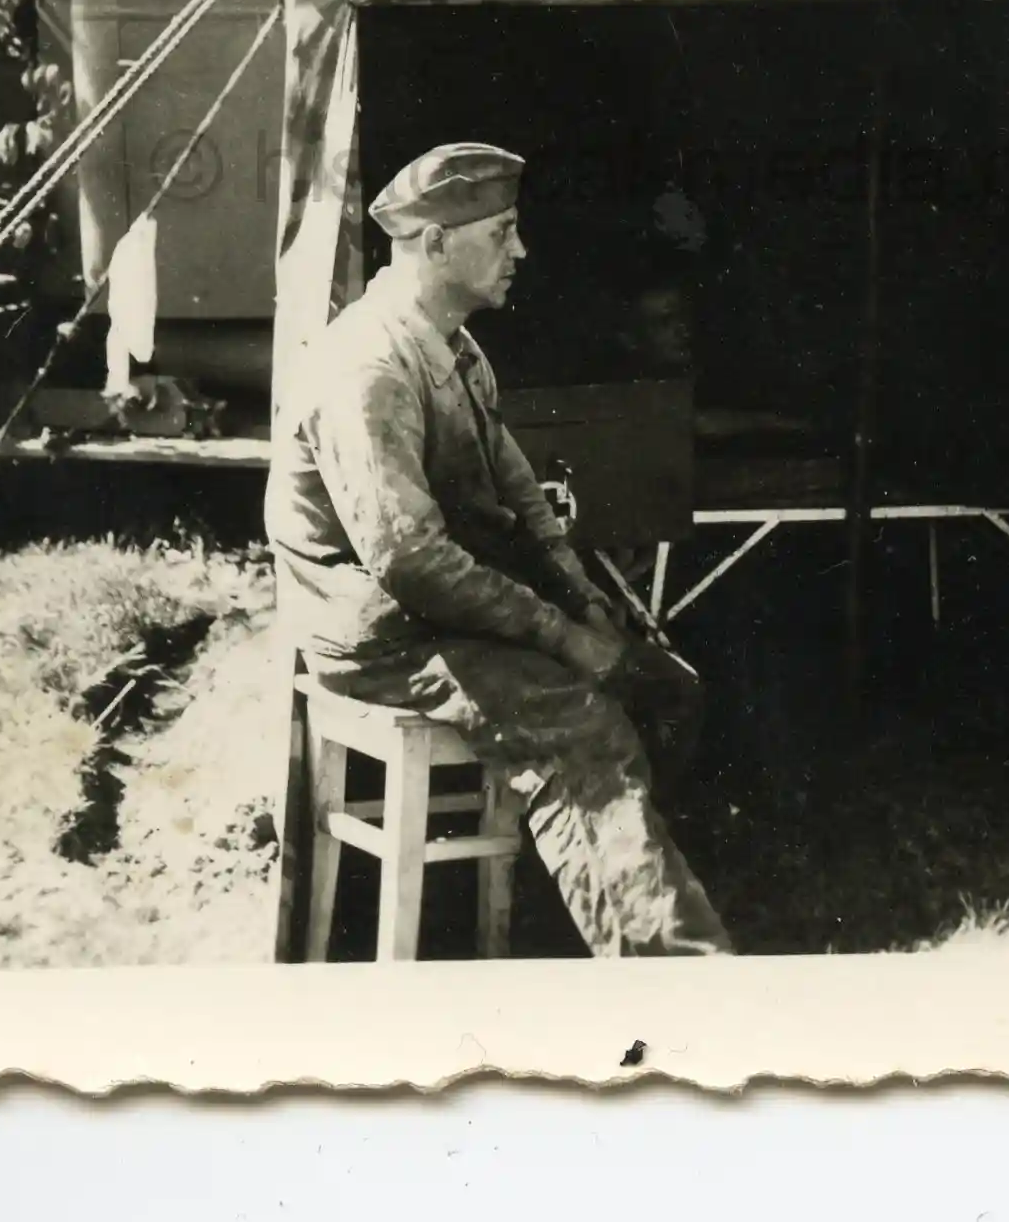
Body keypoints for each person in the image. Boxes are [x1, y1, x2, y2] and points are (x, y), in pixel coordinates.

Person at [267, 142, 732, 956]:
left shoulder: (454, 348)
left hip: (443, 614)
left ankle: (580, 928)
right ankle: (672, 975)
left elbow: (523, 502)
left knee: (664, 689)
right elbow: (410, 560)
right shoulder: (368, 366)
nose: (519, 250)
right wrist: (562, 638)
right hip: (379, 633)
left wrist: (587, 605)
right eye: (501, 232)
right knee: (581, 723)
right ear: (435, 243)